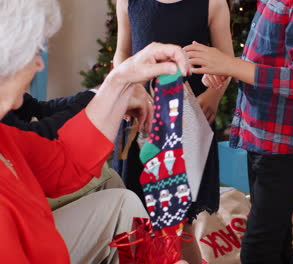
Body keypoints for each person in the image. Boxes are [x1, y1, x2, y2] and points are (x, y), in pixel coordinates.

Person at [0, 0, 190, 263]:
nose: (39, 65)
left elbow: (61, 160)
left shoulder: (5, 137)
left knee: (117, 192)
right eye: (33, 52)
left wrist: (118, 82)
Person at [184, 0, 293, 263]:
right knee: (276, 238)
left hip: (287, 145)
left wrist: (231, 65)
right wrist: (226, 67)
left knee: (258, 247)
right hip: (262, 135)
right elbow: (269, 60)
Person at [114, 1, 233, 262]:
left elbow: (227, 59)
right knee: (137, 217)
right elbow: (122, 54)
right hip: (140, 122)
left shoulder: (213, 4)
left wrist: (213, 96)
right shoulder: (128, 2)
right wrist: (125, 89)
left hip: (189, 126)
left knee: (181, 224)